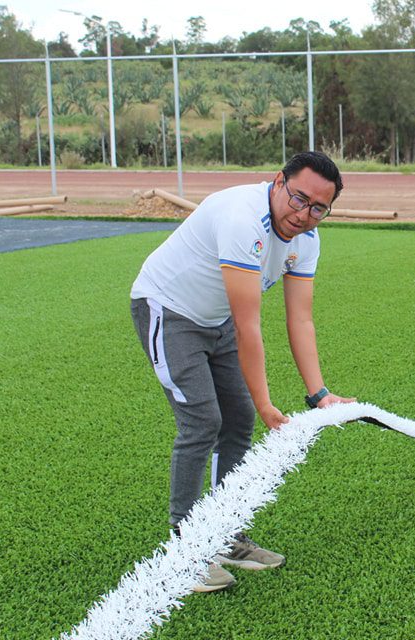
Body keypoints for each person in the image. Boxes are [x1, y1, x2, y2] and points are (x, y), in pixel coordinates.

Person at [130, 151, 355, 592]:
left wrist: (319, 393)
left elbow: (300, 320)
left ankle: (224, 534)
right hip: (169, 311)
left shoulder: (306, 241)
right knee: (203, 421)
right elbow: (249, 326)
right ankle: (186, 549)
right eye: (298, 198)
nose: (304, 214)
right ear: (278, 182)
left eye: (318, 209)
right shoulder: (241, 218)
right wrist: (267, 402)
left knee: (238, 422)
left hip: (216, 322)